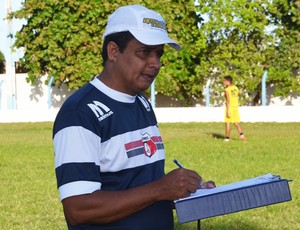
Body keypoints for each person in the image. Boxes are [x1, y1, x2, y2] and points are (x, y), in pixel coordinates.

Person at [53, 4, 215, 230]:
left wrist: (181, 193)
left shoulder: (141, 103)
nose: (155, 63)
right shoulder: (81, 112)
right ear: (113, 51)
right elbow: (78, 208)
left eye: (158, 54)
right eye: (144, 52)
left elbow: (140, 190)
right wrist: (161, 189)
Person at [223, 75, 246, 142]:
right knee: (236, 122)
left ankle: (227, 138)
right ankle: (242, 135)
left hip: (230, 108)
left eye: (224, 81)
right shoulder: (236, 88)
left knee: (228, 123)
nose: (223, 82)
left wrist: (228, 111)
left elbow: (228, 101)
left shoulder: (226, 90)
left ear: (228, 81)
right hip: (235, 107)